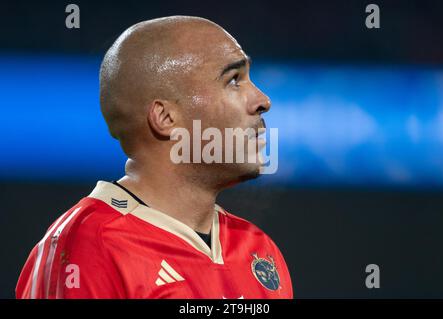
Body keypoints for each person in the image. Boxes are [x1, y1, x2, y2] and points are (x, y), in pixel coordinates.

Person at [16, 16, 293, 299]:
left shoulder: (259, 252)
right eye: (234, 80)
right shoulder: (88, 247)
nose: (262, 100)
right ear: (165, 117)